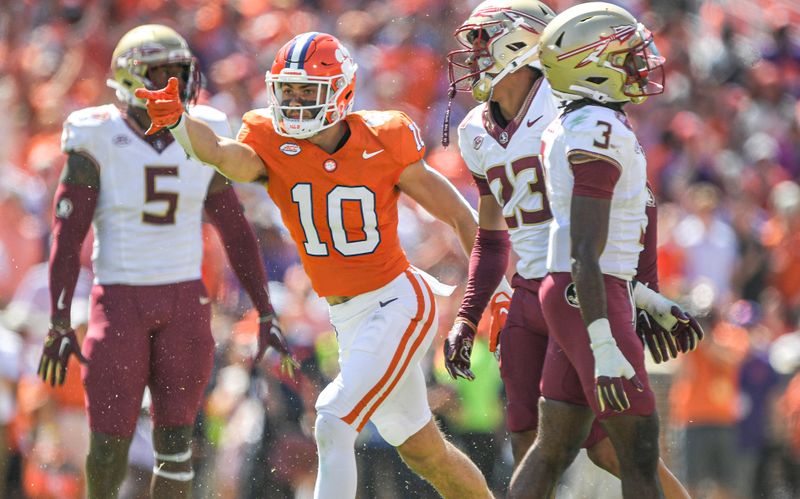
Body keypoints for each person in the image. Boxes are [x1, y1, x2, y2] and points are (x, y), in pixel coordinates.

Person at [135, 31, 494, 499]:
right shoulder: (270, 140)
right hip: (347, 317)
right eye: (288, 90)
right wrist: (181, 122)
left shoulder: (383, 138)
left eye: (309, 90)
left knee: (332, 417)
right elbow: (222, 155)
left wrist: (486, 296)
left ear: (341, 90)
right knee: (424, 452)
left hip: (399, 299)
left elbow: (459, 215)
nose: (296, 101)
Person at [443, 2, 699, 498]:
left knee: (607, 446)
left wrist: (641, 290)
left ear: (524, 42)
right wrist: (468, 313)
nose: (471, 55)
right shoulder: (476, 129)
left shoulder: (567, 104)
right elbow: (492, 235)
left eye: (482, 40)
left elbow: (635, 204)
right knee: (536, 444)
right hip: (537, 290)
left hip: (583, 283)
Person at [36, 24, 294, 499]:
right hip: (119, 299)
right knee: (109, 443)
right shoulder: (97, 135)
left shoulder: (205, 132)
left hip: (185, 300)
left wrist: (266, 307)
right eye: (162, 74)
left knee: (177, 447)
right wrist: (56, 319)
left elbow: (236, 230)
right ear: (132, 80)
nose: (173, 85)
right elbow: (65, 236)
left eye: (180, 73)